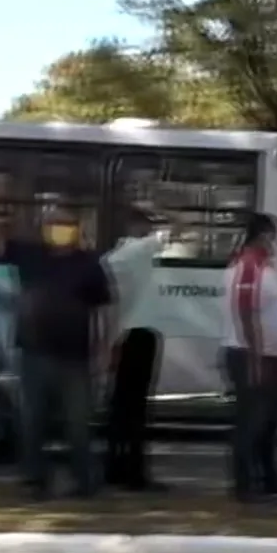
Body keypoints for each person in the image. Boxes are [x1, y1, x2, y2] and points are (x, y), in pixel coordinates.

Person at [0, 204, 111, 500]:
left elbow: (102, 310)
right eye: (54, 223)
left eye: (67, 223)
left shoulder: (89, 264)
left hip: (75, 356)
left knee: (79, 423)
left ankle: (85, 482)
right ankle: (35, 480)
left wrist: (103, 348)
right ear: (44, 227)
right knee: (32, 420)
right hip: (35, 353)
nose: (60, 228)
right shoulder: (30, 255)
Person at [103, 203, 180, 492]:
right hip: (141, 335)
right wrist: (163, 211)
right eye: (147, 223)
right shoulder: (140, 250)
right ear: (138, 226)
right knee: (136, 408)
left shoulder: (112, 257)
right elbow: (178, 227)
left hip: (121, 336)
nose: (151, 228)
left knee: (119, 406)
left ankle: (114, 467)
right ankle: (135, 474)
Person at [220, 212, 277, 502]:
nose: (276, 243)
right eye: (273, 237)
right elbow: (246, 310)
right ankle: (244, 482)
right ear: (262, 236)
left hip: (267, 353)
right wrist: (256, 354)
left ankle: (268, 476)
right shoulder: (249, 267)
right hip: (250, 352)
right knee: (252, 420)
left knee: (269, 420)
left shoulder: (260, 267)